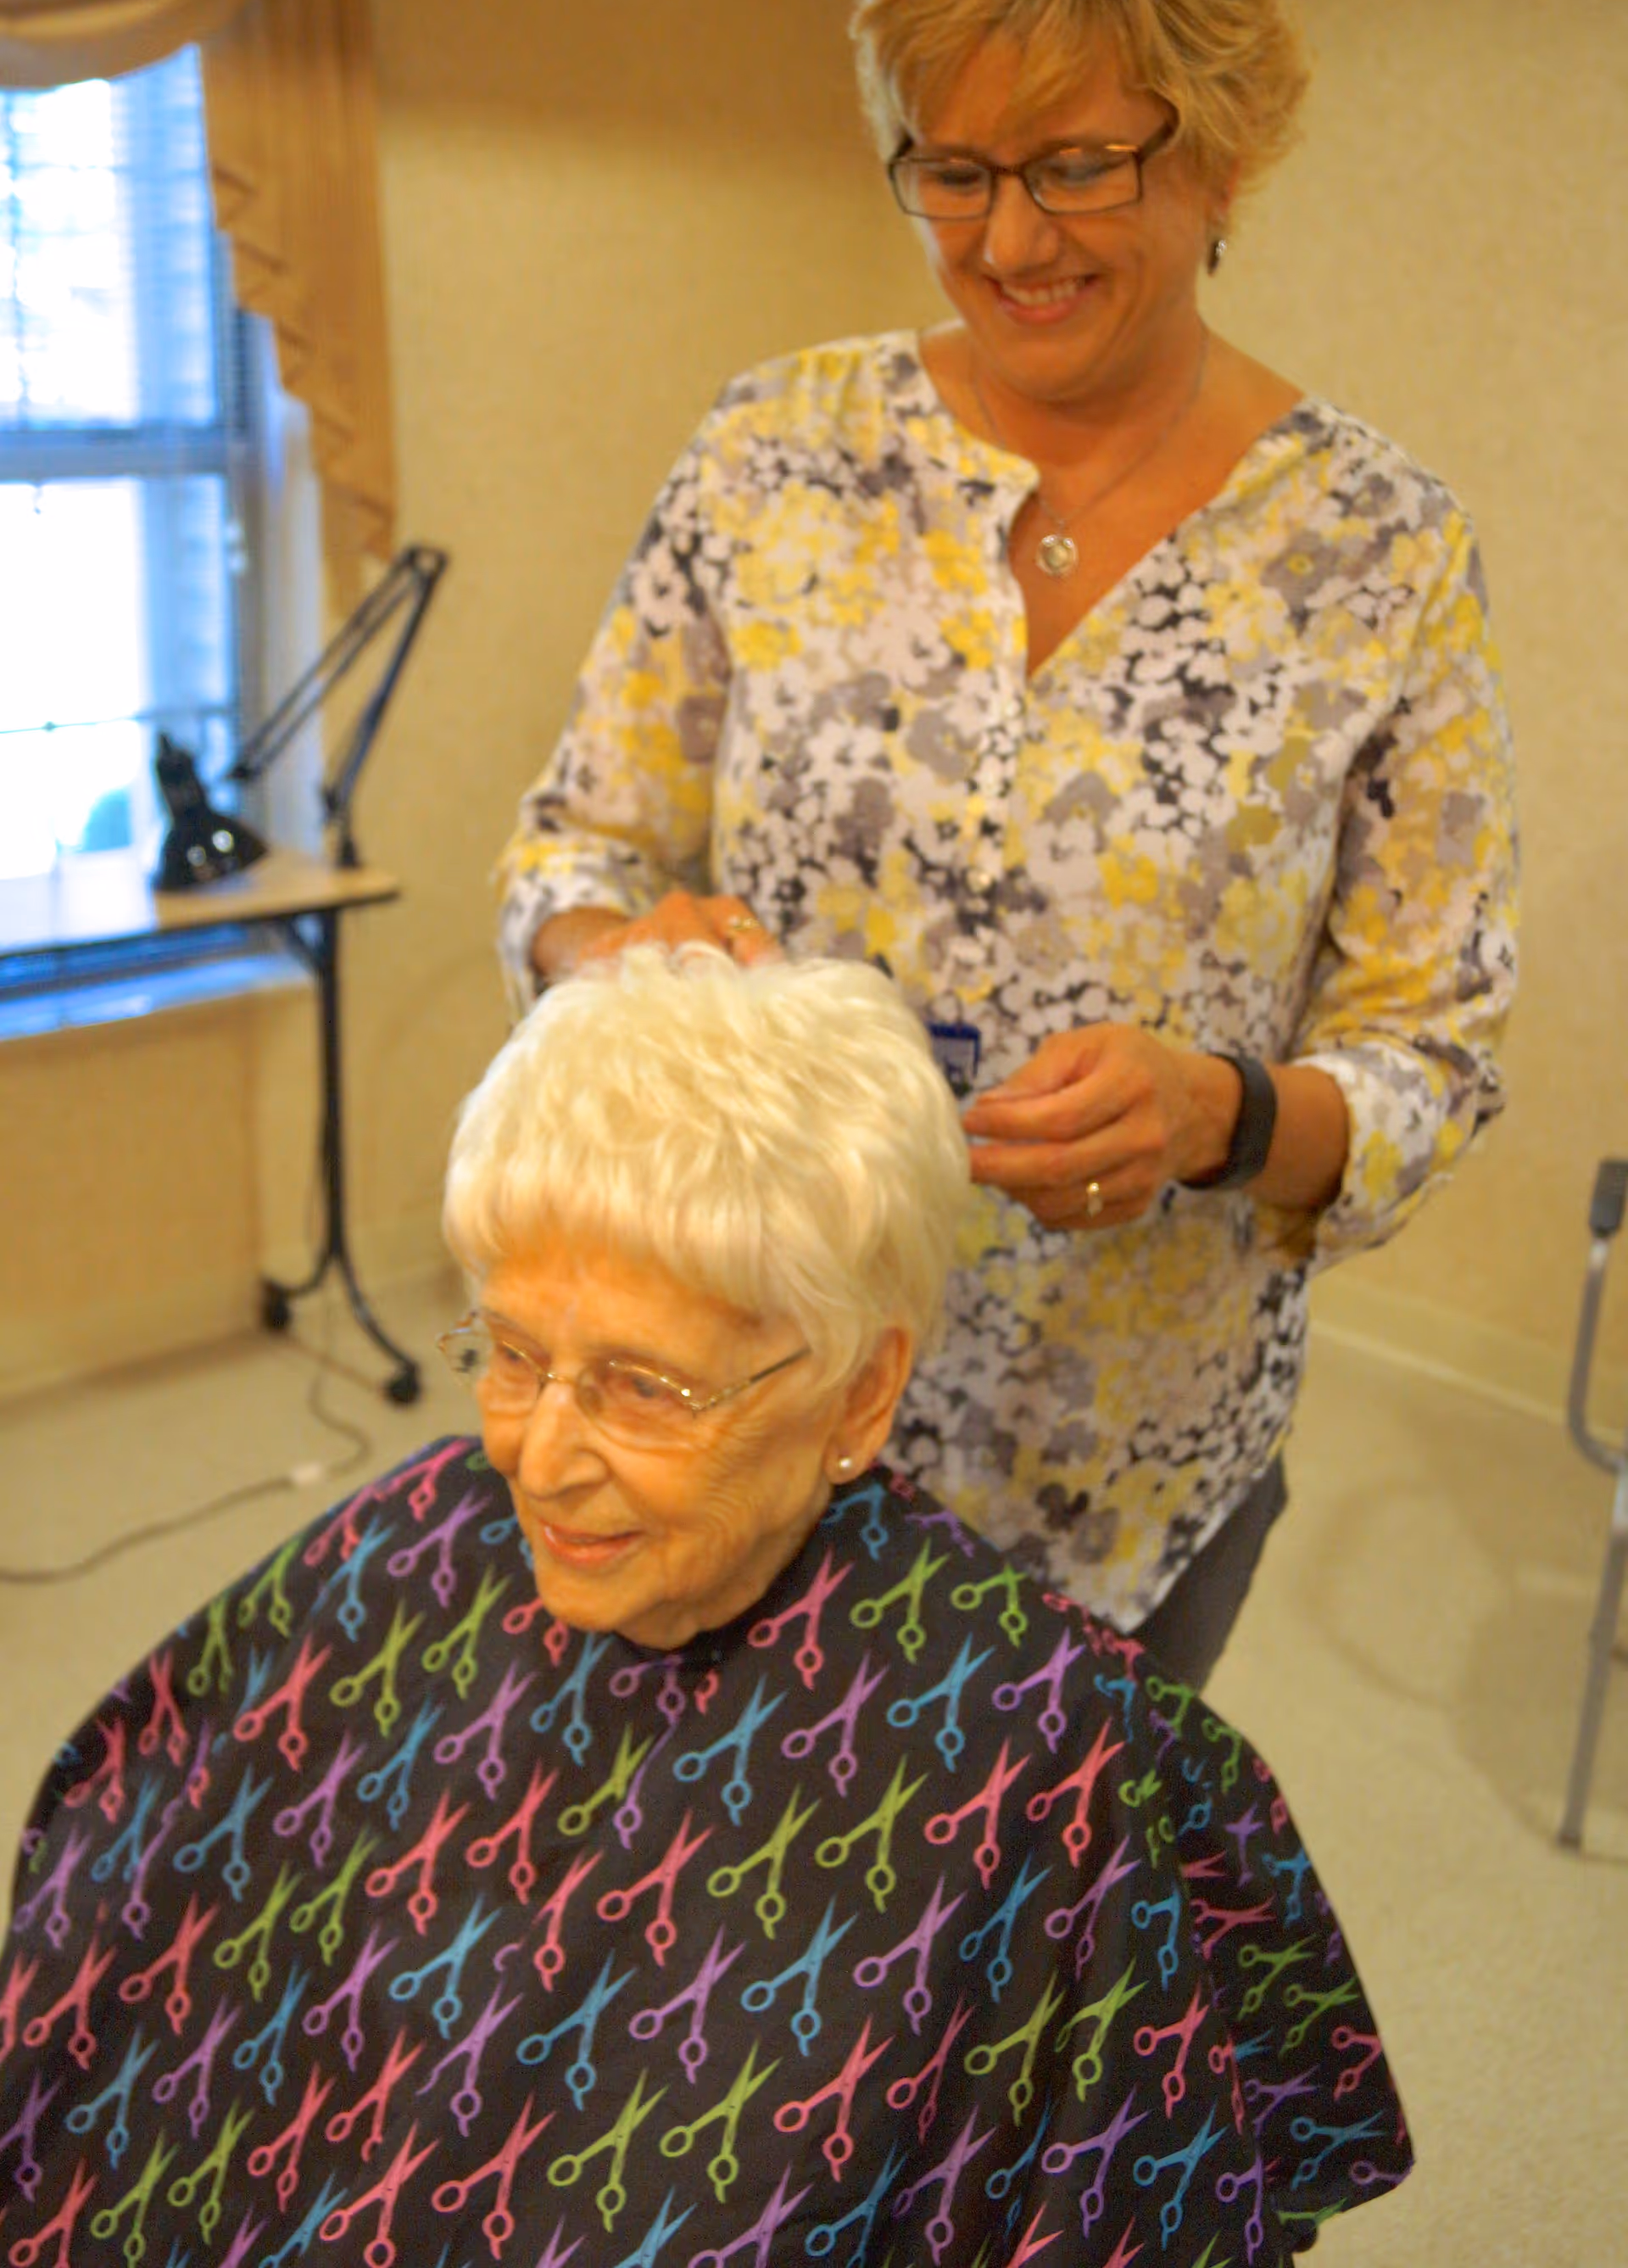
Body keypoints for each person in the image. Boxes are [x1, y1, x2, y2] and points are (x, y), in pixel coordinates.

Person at [495, 0, 1519, 1688]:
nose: (1009, 240)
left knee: (1021, 1952)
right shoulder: (773, 453)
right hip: (744, 1409)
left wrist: (1221, 1113)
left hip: (1129, 1470)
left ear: (1221, 156)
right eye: (951, 170)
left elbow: (1435, 1050)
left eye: (1075, 165)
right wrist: (607, 960)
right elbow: (568, 856)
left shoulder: (1377, 549)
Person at [1, 950, 1409, 2263]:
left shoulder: (1038, 1751)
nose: (535, 1460)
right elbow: (109, 1892)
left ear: (860, 1393)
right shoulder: (412, 1546)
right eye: (508, 1353)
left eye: (641, 1385)